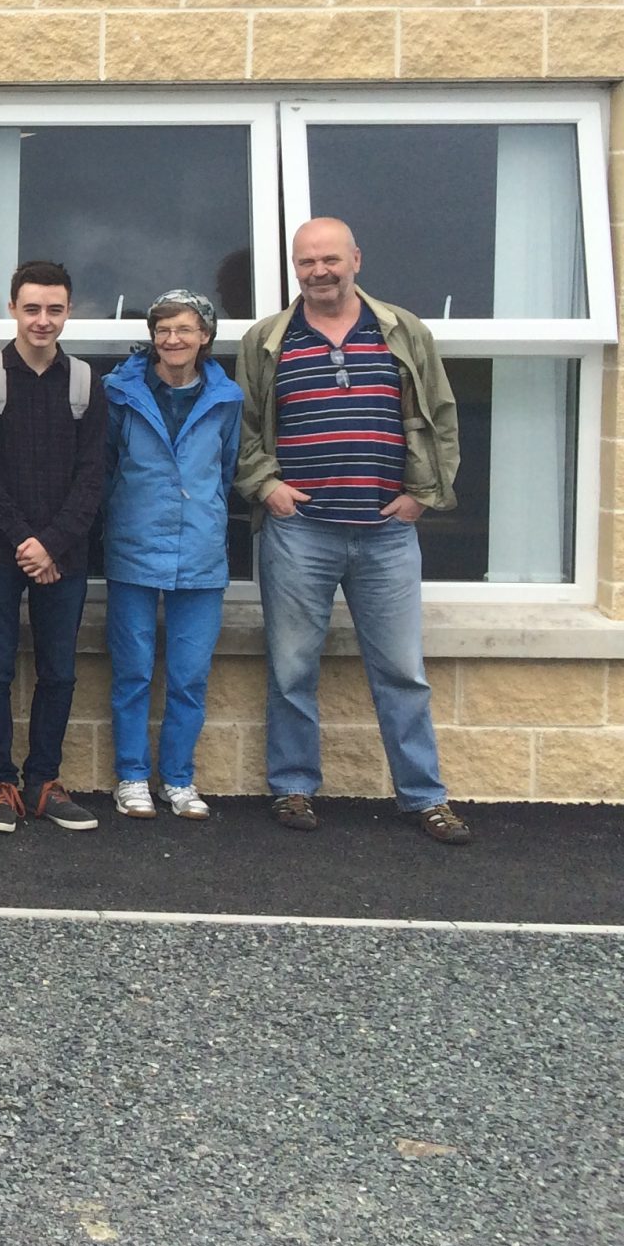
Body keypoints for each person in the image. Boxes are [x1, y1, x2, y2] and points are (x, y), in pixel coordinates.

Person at [236, 218, 471, 845]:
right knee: (291, 670)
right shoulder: (267, 340)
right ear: (295, 268)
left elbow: (441, 417)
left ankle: (424, 797)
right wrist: (267, 487)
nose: (320, 271)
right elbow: (246, 429)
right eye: (307, 261)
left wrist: (423, 496)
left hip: (386, 533)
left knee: (402, 672)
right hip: (299, 532)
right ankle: (292, 786)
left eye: (331, 259)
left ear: (356, 260)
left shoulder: (402, 330)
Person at [0, 261, 108, 835]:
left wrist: (51, 544)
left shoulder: (86, 383)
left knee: (59, 671)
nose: (42, 320)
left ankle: (44, 781)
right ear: (12, 309)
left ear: (68, 312)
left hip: (63, 554)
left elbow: (92, 477)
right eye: (32, 308)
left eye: (54, 309)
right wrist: (27, 542)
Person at [103, 291, 241, 823]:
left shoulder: (227, 399)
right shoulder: (119, 393)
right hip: (133, 545)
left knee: (189, 676)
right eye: (162, 330)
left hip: (201, 551)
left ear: (205, 336)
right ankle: (132, 777)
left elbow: (225, 470)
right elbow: (105, 467)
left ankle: (179, 780)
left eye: (184, 329)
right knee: (132, 672)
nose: (172, 339)